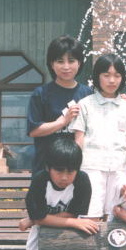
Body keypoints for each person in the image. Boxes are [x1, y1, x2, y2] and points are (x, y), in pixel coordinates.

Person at [10, 137, 99, 250]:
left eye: (70, 171)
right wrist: (40, 220)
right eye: (59, 170)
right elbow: (51, 218)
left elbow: (71, 213)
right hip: (39, 247)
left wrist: (34, 220)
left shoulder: (82, 181)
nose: (64, 177)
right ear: (48, 167)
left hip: (67, 247)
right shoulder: (40, 181)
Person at [71, 53, 126, 219]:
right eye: (106, 75)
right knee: (91, 216)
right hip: (91, 167)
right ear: (97, 76)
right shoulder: (85, 104)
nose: (112, 80)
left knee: (115, 218)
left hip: (119, 169)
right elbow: (79, 139)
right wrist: (76, 169)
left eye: (117, 75)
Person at [27, 35, 92, 174]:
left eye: (71, 61)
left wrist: (118, 99)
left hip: (78, 169)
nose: (66, 66)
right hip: (45, 168)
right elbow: (34, 130)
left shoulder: (88, 94)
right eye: (60, 61)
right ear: (52, 64)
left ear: (79, 63)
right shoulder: (41, 94)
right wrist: (63, 121)